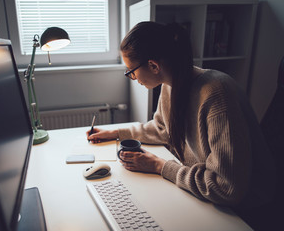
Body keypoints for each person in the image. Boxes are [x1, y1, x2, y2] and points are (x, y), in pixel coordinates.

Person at [87, 21, 276, 229]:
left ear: (153, 66)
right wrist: (114, 133)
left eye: (131, 71)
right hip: (211, 198)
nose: (132, 78)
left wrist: (159, 166)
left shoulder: (217, 94)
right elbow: (161, 129)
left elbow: (226, 187)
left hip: (245, 213)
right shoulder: (172, 85)